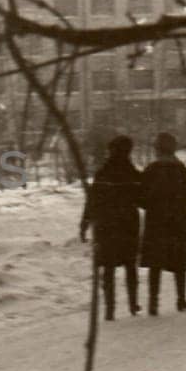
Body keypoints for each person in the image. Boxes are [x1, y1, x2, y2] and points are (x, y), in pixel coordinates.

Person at [138, 132, 186, 315]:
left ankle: (153, 302)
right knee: (179, 260)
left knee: (155, 263)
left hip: (156, 220)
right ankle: (181, 299)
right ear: (173, 149)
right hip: (178, 220)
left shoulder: (151, 170)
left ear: (157, 150)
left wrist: (150, 205)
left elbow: (140, 196)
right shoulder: (181, 170)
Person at [79, 135, 143, 320]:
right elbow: (143, 199)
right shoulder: (132, 174)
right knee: (130, 265)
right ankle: (132, 304)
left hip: (106, 226)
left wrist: (84, 224)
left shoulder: (102, 173)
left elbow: (91, 201)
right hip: (127, 224)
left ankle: (110, 309)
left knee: (108, 267)